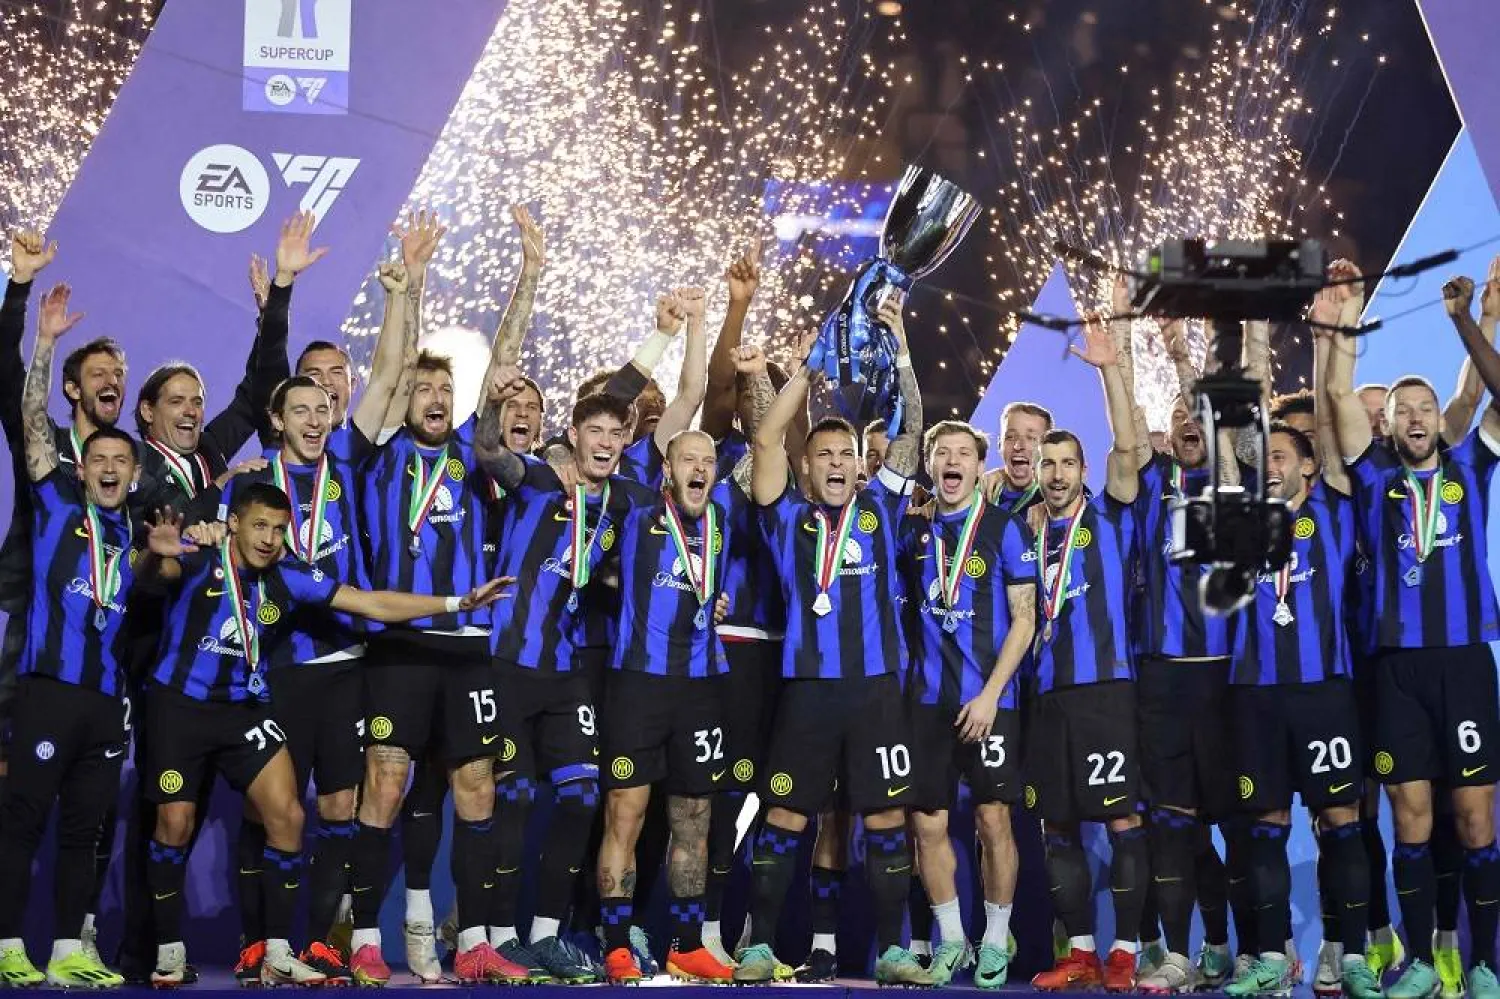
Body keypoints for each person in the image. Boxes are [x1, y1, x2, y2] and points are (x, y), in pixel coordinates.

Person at [135, 482, 512, 986]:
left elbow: (371, 604)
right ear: (234, 524)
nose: (268, 538)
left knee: (289, 815)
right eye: (259, 526)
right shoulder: (200, 556)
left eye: (277, 529)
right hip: (177, 706)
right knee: (176, 823)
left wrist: (456, 602)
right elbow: (156, 576)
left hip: (240, 709)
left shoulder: (289, 576)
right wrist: (150, 556)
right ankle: (166, 950)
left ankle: (276, 951)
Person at [225, 259, 415, 984]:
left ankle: (322, 942)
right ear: (278, 418)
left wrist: (397, 296)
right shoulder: (249, 484)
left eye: (322, 408)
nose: (314, 419)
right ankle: (258, 944)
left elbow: (391, 368)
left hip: (344, 670)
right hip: (274, 668)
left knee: (340, 802)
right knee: (266, 807)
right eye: (299, 410)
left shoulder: (348, 457)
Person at [733, 299, 931, 987]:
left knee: (885, 816)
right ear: (809, 468)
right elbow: (765, 442)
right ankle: (757, 947)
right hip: (809, 691)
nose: (841, 463)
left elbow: (911, 427)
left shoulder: (879, 507)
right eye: (827, 455)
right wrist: (803, 374)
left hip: (876, 691)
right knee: (787, 811)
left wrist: (901, 338)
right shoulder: (788, 518)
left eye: (848, 454)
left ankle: (894, 949)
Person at [1322, 269, 1500, 999]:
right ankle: (1425, 958)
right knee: (1412, 816)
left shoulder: (1471, 465)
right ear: (1388, 424)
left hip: (1462, 663)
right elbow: (1337, 396)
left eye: (1427, 407)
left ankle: (1483, 962)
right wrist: (1346, 320)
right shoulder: (1371, 480)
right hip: (1395, 669)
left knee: (1475, 817)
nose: (1417, 417)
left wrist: (1468, 321)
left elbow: (1486, 393)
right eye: (1403, 409)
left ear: (1441, 418)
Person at [583, 342, 769, 984]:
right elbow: (689, 395)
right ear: (666, 468)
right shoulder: (636, 507)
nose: (699, 467)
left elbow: (769, 448)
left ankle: (686, 943)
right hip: (638, 684)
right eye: (686, 458)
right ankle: (613, 941)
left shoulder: (723, 516)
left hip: (702, 687)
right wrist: (692, 329)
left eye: (708, 460)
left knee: (695, 817)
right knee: (626, 813)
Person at [0, 285, 134, 989]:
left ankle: (67, 950)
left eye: (121, 462)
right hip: (49, 689)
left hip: (106, 701)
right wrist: (47, 341)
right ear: (81, 464)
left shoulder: (137, 533)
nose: (109, 467)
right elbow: (31, 418)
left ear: (132, 474)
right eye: (99, 458)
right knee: (23, 820)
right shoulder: (53, 499)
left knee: (84, 831)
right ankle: (6, 945)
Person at [1219, 424, 1378, 999]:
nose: (1271, 467)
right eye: (1263, 460)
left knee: (1341, 820)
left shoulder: (1335, 511)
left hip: (1323, 693)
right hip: (1255, 695)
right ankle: (1271, 956)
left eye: (1281, 457)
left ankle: (1354, 957)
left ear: (1310, 467)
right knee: (1265, 827)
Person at [1024, 315, 1147, 994]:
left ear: (1082, 469)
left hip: (1106, 691)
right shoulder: (1023, 532)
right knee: (1057, 821)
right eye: (1049, 463)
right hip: (1048, 697)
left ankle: (1124, 949)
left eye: (1069, 462)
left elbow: (1127, 445)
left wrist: (1108, 370)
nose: (1059, 472)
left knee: (1123, 816)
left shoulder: (1113, 515)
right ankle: (1077, 950)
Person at [899, 420, 1035, 987]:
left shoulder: (1003, 529)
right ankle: (953, 940)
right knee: (926, 824)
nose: (953, 462)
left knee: (992, 818)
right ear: (931, 466)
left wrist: (990, 695)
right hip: (927, 702)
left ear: (981, 468)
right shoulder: (914, 534)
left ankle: (996, 941)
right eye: (942, 453)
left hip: (990, 702)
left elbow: (1024, 619)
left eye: (964, 454)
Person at [1131, 323, 1244, 993]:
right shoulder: (1152, 483)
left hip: (1226, 678)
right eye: (1177, 417)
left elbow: (1211, 418)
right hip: (1162, 677)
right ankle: (1182, 952)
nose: (1186, 422)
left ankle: (1241, 948)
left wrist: (1180, 358)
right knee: (1175, 824)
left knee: (1235, 823)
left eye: (1193, 414)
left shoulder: (1237, 478)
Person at [981, 402, 1052, 513]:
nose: (1018, 446)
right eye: (1010, 437)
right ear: (1000, 444)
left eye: (1031, 438)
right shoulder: (980, 494)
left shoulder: (1054, 504)